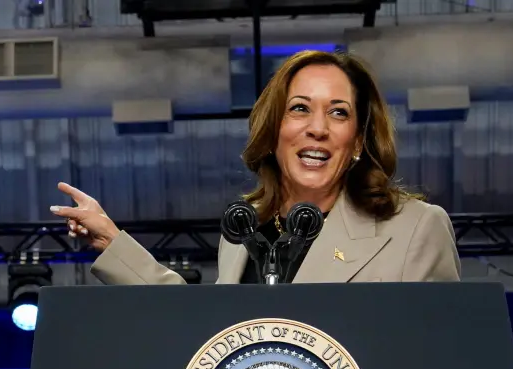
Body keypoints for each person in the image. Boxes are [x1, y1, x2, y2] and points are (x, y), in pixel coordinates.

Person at [50, 50, 461, 286]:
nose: (317, 129)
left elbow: (444, 359)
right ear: (273, 129)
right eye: (299, 109)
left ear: (356, 141)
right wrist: (112, 243)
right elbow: (208, 332)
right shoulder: (243, 233)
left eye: (338, 113)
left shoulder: (416, 228)